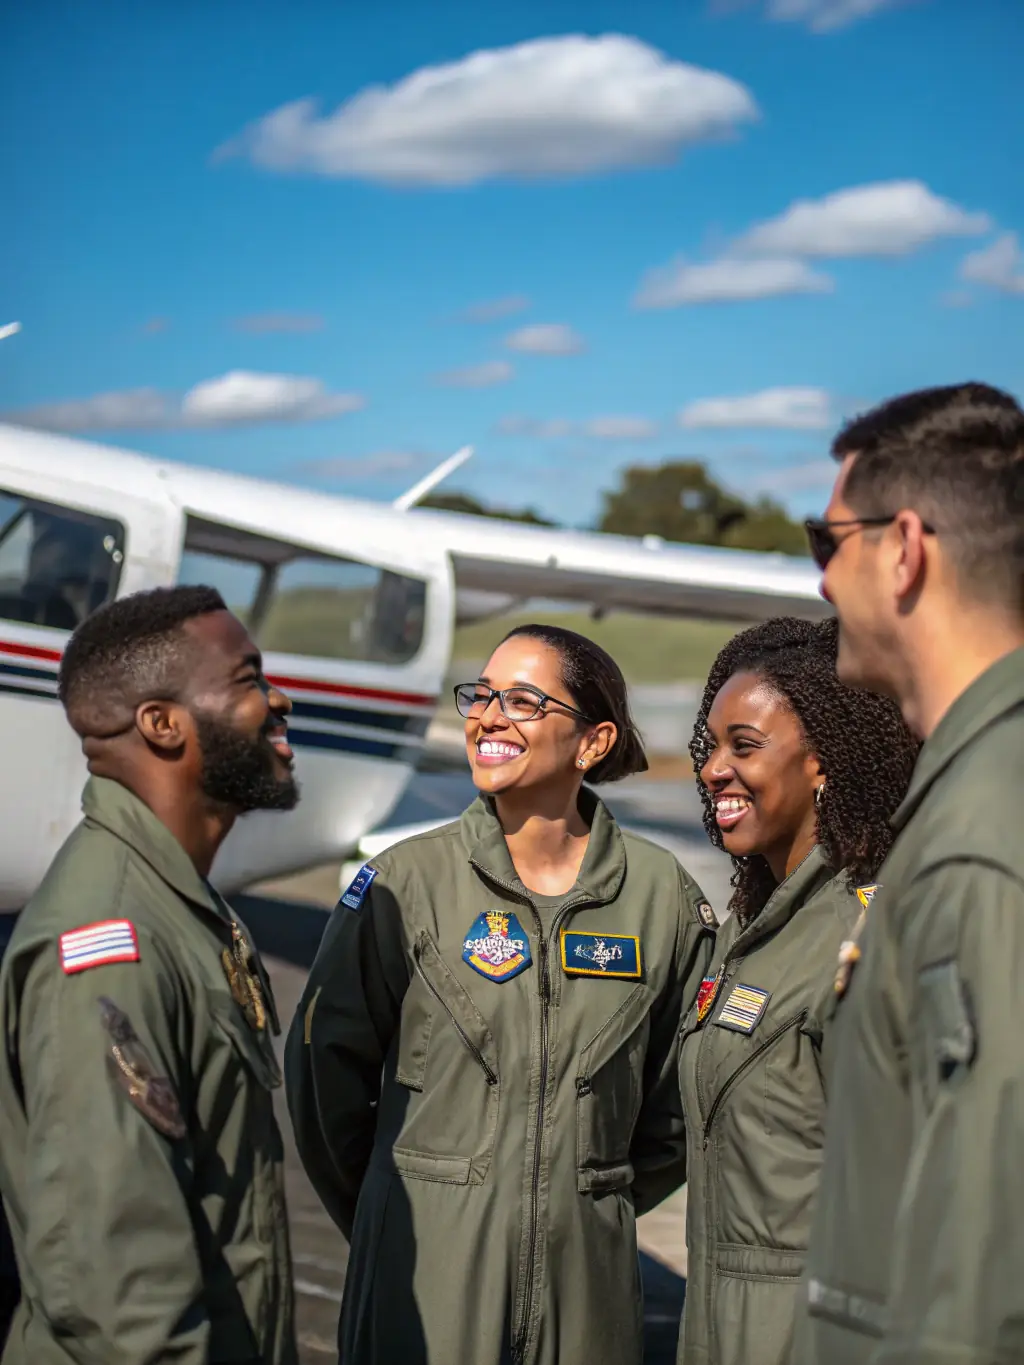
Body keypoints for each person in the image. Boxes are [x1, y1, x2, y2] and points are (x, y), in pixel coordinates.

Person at [286, 623, 716, 1365]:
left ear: (591, 741)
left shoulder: (661, 897)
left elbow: (682, 1095)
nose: (487, 716)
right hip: (421, 1292)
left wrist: (583, 1198)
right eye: (480, 695)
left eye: (520, 699)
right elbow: (323, 1074)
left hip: (587, 1300)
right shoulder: (403, 882)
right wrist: (408, 1210)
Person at [0, 585, 301, 1365]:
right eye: (248, 679)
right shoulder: (112, 942)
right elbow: (121, 1299)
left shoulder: (181, 904)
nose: (280, 698)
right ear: (163, 725)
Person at [792, 382, 1024, 1365]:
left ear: (905, 549)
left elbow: (972, 1301)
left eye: (824, 544)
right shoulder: (972, 788)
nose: (816, 585)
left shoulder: (981, 832)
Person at [674, 616, 918, 1365]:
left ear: (824, 762)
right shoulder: (751, 928)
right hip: (715, 1322)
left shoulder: (865, 934)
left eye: (744, 746)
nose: (716, 768)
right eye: (711, 746)